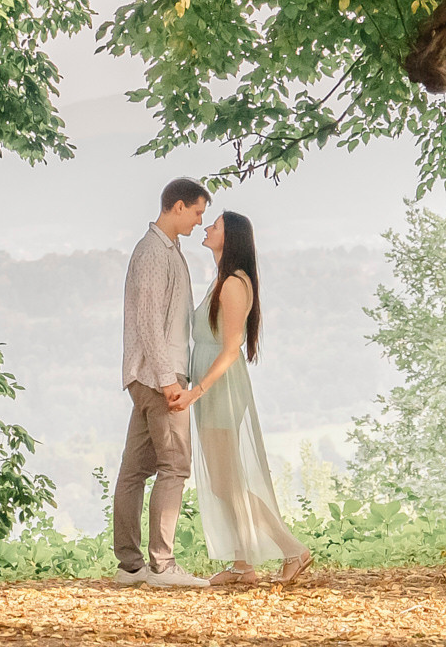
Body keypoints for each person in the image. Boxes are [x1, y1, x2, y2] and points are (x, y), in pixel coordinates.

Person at [183, 210, 314, 588]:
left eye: (215, 225)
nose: (206, 228)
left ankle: (293, 550)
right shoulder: (222, 281)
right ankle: (243, 564)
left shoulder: (233, 285)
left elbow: (230, 349)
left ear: (232, 237)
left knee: (228, 481)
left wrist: (198, 390)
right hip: (213, 384)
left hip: (220, 387)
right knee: (225, 482)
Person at [112, 178, 211, 587]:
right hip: (158, 377)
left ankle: (130, 566)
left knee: (135, 469)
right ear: (178, 206)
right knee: (175, 466)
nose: (199, 221)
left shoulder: (168, 251)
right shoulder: (153, 252)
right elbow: (150, 323)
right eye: (197, 213)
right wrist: (169, 380)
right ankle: (162, 565)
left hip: (149, 376)